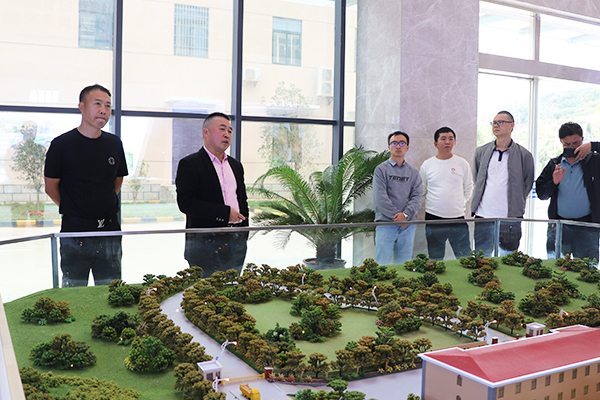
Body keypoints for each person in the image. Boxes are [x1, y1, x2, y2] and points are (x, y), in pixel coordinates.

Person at [44, 84, 128, 287]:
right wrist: (75, 207)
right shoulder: (61, 145)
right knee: (74, 290)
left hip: (109, 231)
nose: (103, 110)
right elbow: (51, 187)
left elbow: (117, 181)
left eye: (107, 105)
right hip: (75, 232)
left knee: (111, 290)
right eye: (97, 104)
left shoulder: (114, 143)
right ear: (81, 107)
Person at [175, 112, 249, 276]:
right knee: (206, 290)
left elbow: (242, 200)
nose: (227, 134)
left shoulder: (236, 165)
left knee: (233, 287)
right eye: (222, 129)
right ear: (206, 132)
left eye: (230, 131)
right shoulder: (190, 164)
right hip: (204, 245)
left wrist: (244, 231)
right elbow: (186, 203)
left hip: (236, 242)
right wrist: (224, 213)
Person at [471, 111, 534, 256]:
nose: (496, 125)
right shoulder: (481, 151)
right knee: (481, 258)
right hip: (483, 216)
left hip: (510, 218)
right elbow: (477, 178)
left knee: (508, 258)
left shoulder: (524, 155)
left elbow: (527, 184)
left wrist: (516, 200)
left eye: (500, 122)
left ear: (512, 125)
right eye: (494, 122)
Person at [536, 122, 600, 261]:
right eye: (567, 144)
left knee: (587, 269)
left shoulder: (594, 161)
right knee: (556, 267)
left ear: (582, 140)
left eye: (576, 143)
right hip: (559, 227)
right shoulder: (554, 164)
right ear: (561, 142)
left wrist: (593, 146)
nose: (572, 147)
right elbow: (541, 193)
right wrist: (554, 183)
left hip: (587, 227)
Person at [419, 127, 473, 260]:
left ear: (454, 142)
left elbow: (468, 188)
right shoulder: (427, 164)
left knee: (465, 257)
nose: (447, 142)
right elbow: (422, 190)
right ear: (435, 144)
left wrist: (459, 203)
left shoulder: (462, 163)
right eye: (443, 139)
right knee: (435, 258)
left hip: (457, 218)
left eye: (451, 139)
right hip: (433, 218)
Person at [373, 131, 423, 265]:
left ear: (407, 147)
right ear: (389, 147)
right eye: (394, 143)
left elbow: (417, 197)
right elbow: (380, 198)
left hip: (407, 226)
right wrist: (398, 217)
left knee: (404, 264)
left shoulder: (414, 172)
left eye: (402, 143)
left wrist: (405, 216)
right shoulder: (380, 170)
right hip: (385, 224)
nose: (398, 146)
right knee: (381, 263)